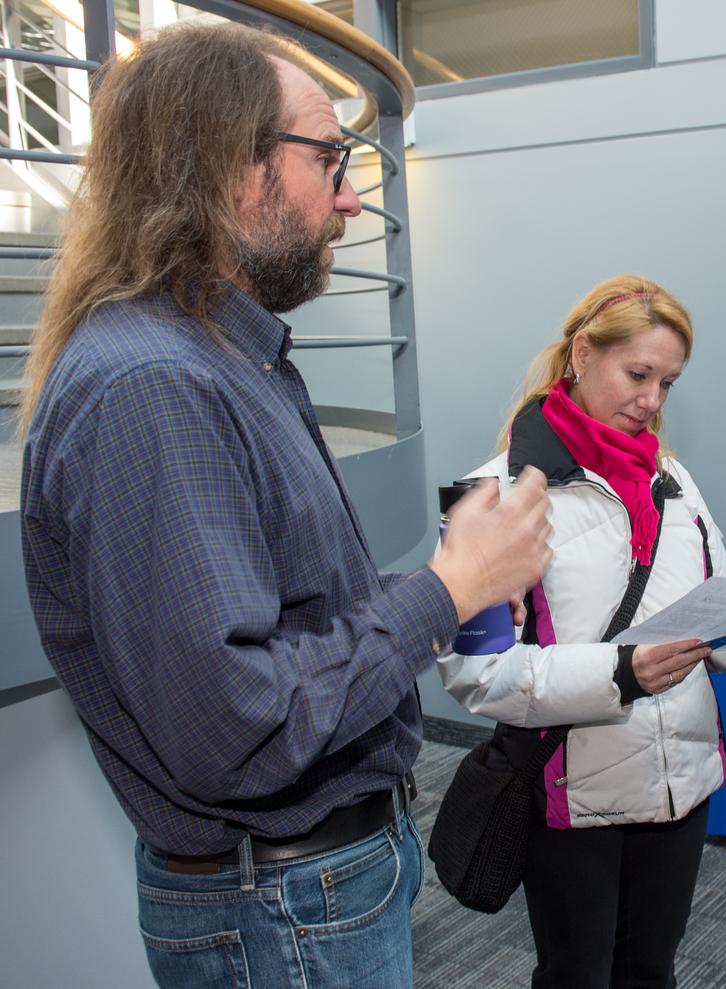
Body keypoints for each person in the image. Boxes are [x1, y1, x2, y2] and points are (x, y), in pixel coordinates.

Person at [19, 23, 551, 988]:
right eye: (330, 158)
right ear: (230, 164)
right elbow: (235, 724)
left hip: (310, 892)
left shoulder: (222, 359)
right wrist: (447, 588)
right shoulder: (153, 386)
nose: (350, 197)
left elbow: (285, 616)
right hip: (282, 914)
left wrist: (453, 584)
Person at [437, 274, 726, 988]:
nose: (652, 401)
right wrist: (622, 672)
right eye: (638, 374)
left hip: (679, 782)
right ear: (580, 355)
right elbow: (475, 675)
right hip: (571, 793)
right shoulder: (487, 497)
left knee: (650, 971)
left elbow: (714, 604)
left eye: (668, 382)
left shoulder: (675, 481)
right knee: (577, 976)